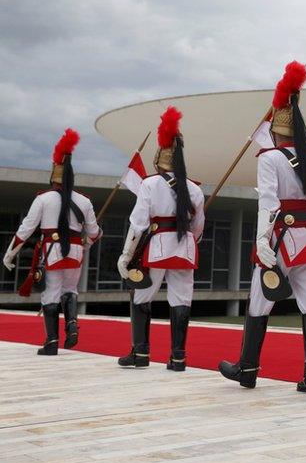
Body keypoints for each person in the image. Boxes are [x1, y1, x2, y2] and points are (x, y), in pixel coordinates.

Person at [219, 61, 306, 395]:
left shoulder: (269, 159)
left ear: (275, 132)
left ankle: (247, 369)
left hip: (279, 239)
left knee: (260, 299)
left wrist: (262, 240)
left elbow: (268, 203)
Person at [117, 106, 205, 371]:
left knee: (142, 295)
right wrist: (189, 242)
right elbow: (198, 228)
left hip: (156, 247)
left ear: (159, 159)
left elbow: (138, 224)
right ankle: (178, 357)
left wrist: (126, 255)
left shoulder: (149, 184)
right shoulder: (195, 189)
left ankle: (140, 353)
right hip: (185, 249)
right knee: (181, 300)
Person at [2, 129, 101, 355]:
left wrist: (10, 253)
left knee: (51, 293)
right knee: (71, 289)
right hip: (75, 252)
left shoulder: (43, 199)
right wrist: (87, 243)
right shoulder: (85, 201)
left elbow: (26, 229)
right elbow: (94, 232)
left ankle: (52, 341)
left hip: (53, 251)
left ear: (53, 176)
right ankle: (72, 325)